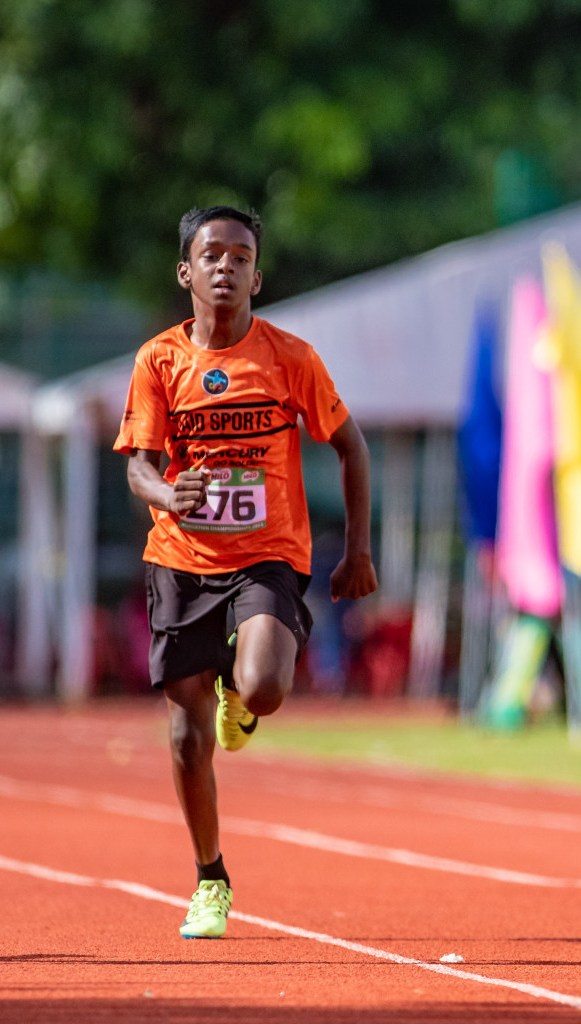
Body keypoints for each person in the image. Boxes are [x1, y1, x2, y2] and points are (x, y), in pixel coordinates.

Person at [116, 206, 377, 939]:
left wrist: (357, 551)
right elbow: (138, 466)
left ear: (257, 276)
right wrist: (171, 493)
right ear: (186, 272)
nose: (225, 267)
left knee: (265, 684)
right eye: (211, 255)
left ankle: (244, 692)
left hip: (267, 553)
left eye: (240, 257)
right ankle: (210, 877)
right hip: (180, 559)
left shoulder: (291, 358)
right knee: (184, 739)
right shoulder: (158, 361)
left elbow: (351, 447)